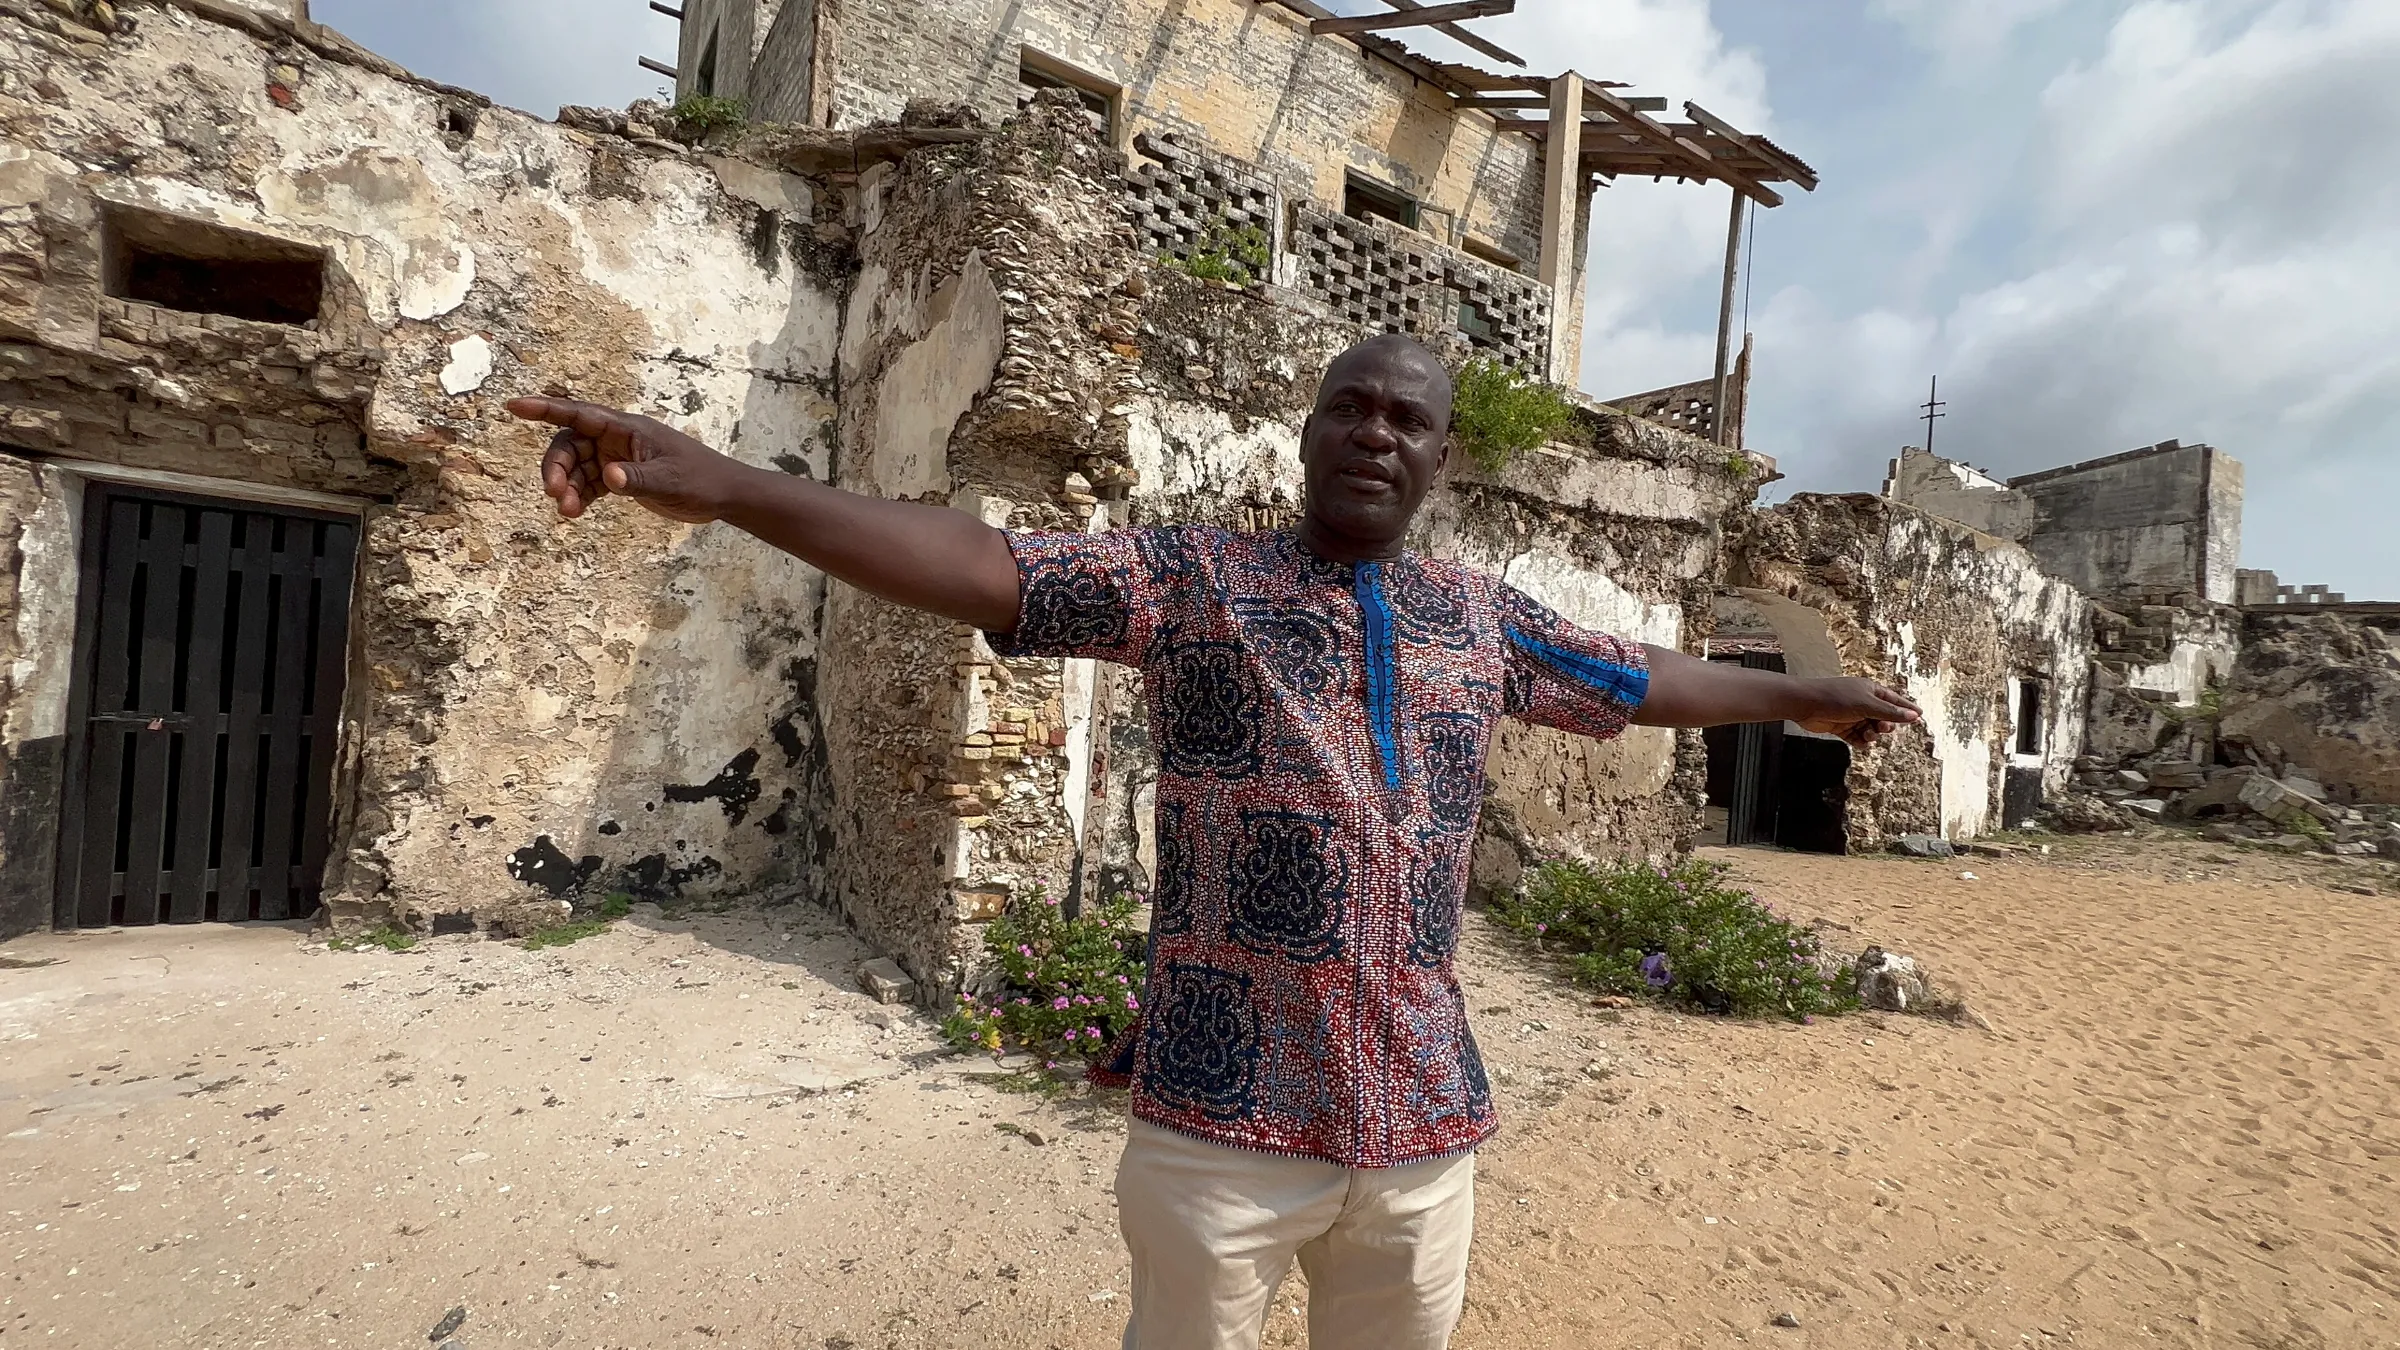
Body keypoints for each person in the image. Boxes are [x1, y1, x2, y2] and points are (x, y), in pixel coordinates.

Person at [508, 334, 1920, 1350]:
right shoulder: (1196, 582)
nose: (1376, 430)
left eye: (1407, 417)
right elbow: (989, 564)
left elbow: (1640, 677)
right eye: (1349, 407)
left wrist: (1803, 692)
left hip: (1424, 1125)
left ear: (1442, 456)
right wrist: (733, 484)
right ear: (1307, 435)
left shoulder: (1479, 617)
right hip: (1219, 1123)